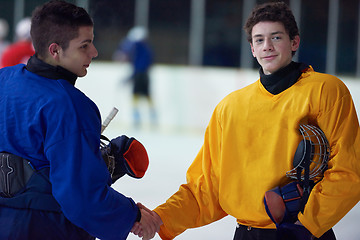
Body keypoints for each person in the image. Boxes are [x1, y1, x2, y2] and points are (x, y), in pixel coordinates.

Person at [133, 2, 360, 240]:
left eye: (276, 37)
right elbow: (207, 187)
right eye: (259, 40)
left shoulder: (325, 91)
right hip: (247, 234)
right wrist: (161, 218)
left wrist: (307, 227)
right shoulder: (230, 107)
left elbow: (349, 170)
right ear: (252, 48)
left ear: (294, 42)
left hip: (304, 233)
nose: (267, 46)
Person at [0, 1, 158, 239]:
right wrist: (132, 216)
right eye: (85, 45)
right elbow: (82, 197)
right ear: (55, 50)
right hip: (47, 229)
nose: (94, 52)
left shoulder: (3, 79)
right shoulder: (69, 105)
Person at [113, 26, 155, 127]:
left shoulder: (137, 45)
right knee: (146, 95)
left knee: (136, 95)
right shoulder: (147, 48)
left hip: (139, 74)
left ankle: (137, 117)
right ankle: (152, 116)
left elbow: (126, 50)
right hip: (143, 74)